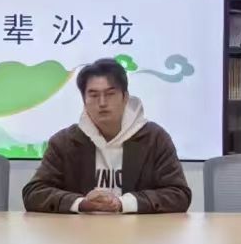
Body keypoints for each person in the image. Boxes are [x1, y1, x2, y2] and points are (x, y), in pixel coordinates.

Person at [23, 58, 191, 214]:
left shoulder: (155, 139)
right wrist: (81, 203)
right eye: (93, 95)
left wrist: (123, 203)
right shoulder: (65, 142)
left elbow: (179, 194)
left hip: (139, 231)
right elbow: (34, 193)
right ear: (84, 100)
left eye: (110, 94)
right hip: (80, 231)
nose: (102, 103)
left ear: (125, 97)